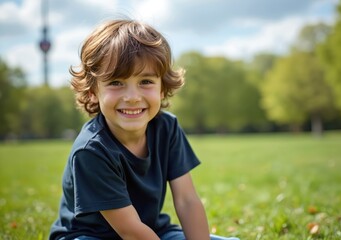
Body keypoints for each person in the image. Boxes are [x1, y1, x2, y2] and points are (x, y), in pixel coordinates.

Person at [49, 19, 240, 240]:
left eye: (146, 81)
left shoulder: (166, 128)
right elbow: (130, 231)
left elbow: (187, 200)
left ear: (162, 89)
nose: (132, 97)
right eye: (116, 82)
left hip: (154, 232)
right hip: (91, 237)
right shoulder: (91, 150)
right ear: (93, 91)